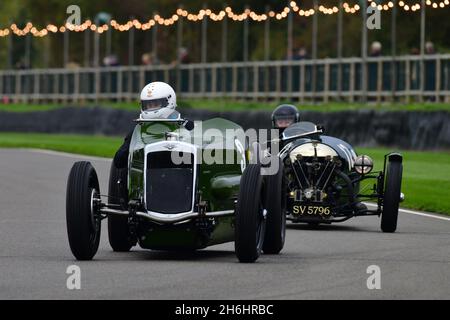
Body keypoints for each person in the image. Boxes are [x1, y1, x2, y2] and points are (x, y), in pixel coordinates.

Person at [113, 81, 180, 169]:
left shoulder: (183, 127)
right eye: (149, 105)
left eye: (156, 104)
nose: (151, 108)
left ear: (169, 101)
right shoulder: (137, 131)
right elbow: (119, 162)